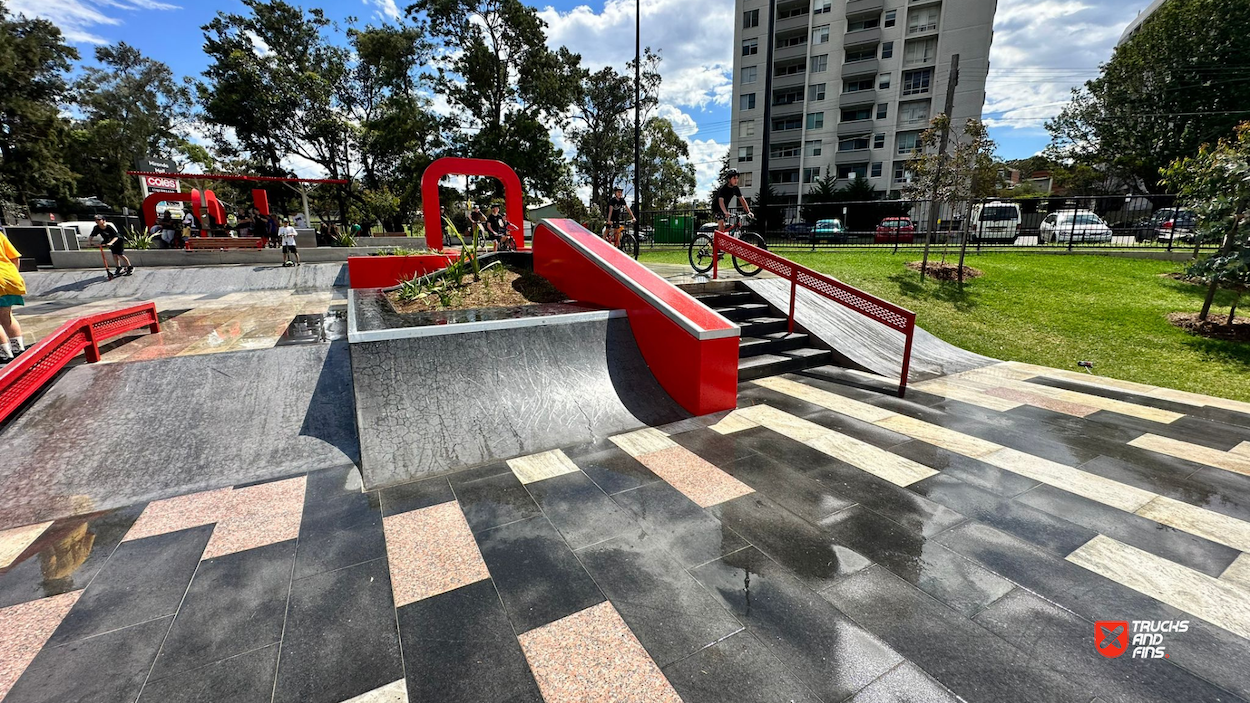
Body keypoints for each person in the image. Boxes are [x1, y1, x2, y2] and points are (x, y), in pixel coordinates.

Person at [0, 225, 27, 364]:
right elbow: (15, 258)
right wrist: (13, 275)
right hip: (10, 279)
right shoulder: (0, 236)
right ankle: (18, 350)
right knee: (6, 315)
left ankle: (4, 354)